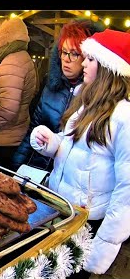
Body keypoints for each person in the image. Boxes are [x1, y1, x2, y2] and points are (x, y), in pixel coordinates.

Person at [30, 29, 130, 276]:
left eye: (91, 59)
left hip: (88, 222)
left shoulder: (124, 118)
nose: (83, 63)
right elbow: (78, 150)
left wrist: (103, 247)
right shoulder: (85, 104)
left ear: (109, 68)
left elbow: (127, 191)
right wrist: (52, 143)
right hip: (64, 208)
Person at [12, 19, 103, 172]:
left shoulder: (95, 97)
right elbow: (33, 129)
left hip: (65, 177)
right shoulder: (51, 86)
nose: (66, 59)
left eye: (74, 54)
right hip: (35, 169)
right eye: (64, 52)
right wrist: (16, 166)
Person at [0, 16, 37, 170]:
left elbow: (8, 108)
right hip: (11, 134)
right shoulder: (18, 57)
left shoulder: (12, 63)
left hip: (4, 139)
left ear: (0, 37)